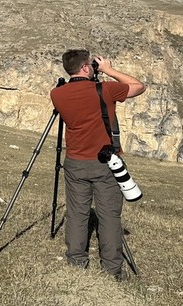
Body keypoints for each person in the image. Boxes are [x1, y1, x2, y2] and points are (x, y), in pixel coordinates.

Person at [49, 50, 146, 281]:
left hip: (74, 162)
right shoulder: (104, 90)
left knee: (76, 213)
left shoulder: (57, 94)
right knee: (109, 216)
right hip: (105, 163)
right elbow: (139, 86)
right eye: (91, 65)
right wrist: (107, 69)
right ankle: (112, 270)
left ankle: (76, 262)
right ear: (85, 67)